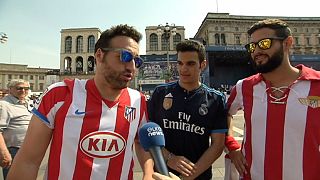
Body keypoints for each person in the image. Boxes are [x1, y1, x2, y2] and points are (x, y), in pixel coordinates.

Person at [7, 24, 154, 180]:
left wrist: (148, 173)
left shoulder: (138, 101)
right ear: (99, 55)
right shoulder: (59, 95)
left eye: (137, 61)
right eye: (125, 56)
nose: (131, 66)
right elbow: (28, 162)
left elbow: (142, 142)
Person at [226, 19, 320, 180]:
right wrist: (232, 147)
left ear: (287, 43)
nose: (256, 51)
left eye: (264, 43)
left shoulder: (317, 85)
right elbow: (223, 114)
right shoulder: (243, 87)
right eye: (252, 46)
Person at [148, 40, 228, 180]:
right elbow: (149, 135)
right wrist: (169, 158)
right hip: (162, 173)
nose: (183, 69)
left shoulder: (216, 99)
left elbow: (217, 145)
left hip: (199, 175)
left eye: (190, 64)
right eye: (180, 63)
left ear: (202, 65)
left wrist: (189, 176)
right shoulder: (160, 93)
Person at [0, 79, 32, 179]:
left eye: (26, 88)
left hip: (26, 149)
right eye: (19, 88)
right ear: (10, 89)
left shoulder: (27, 102)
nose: (23, 90)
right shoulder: (4, 105)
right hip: (13, 150)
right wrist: (4, 153)